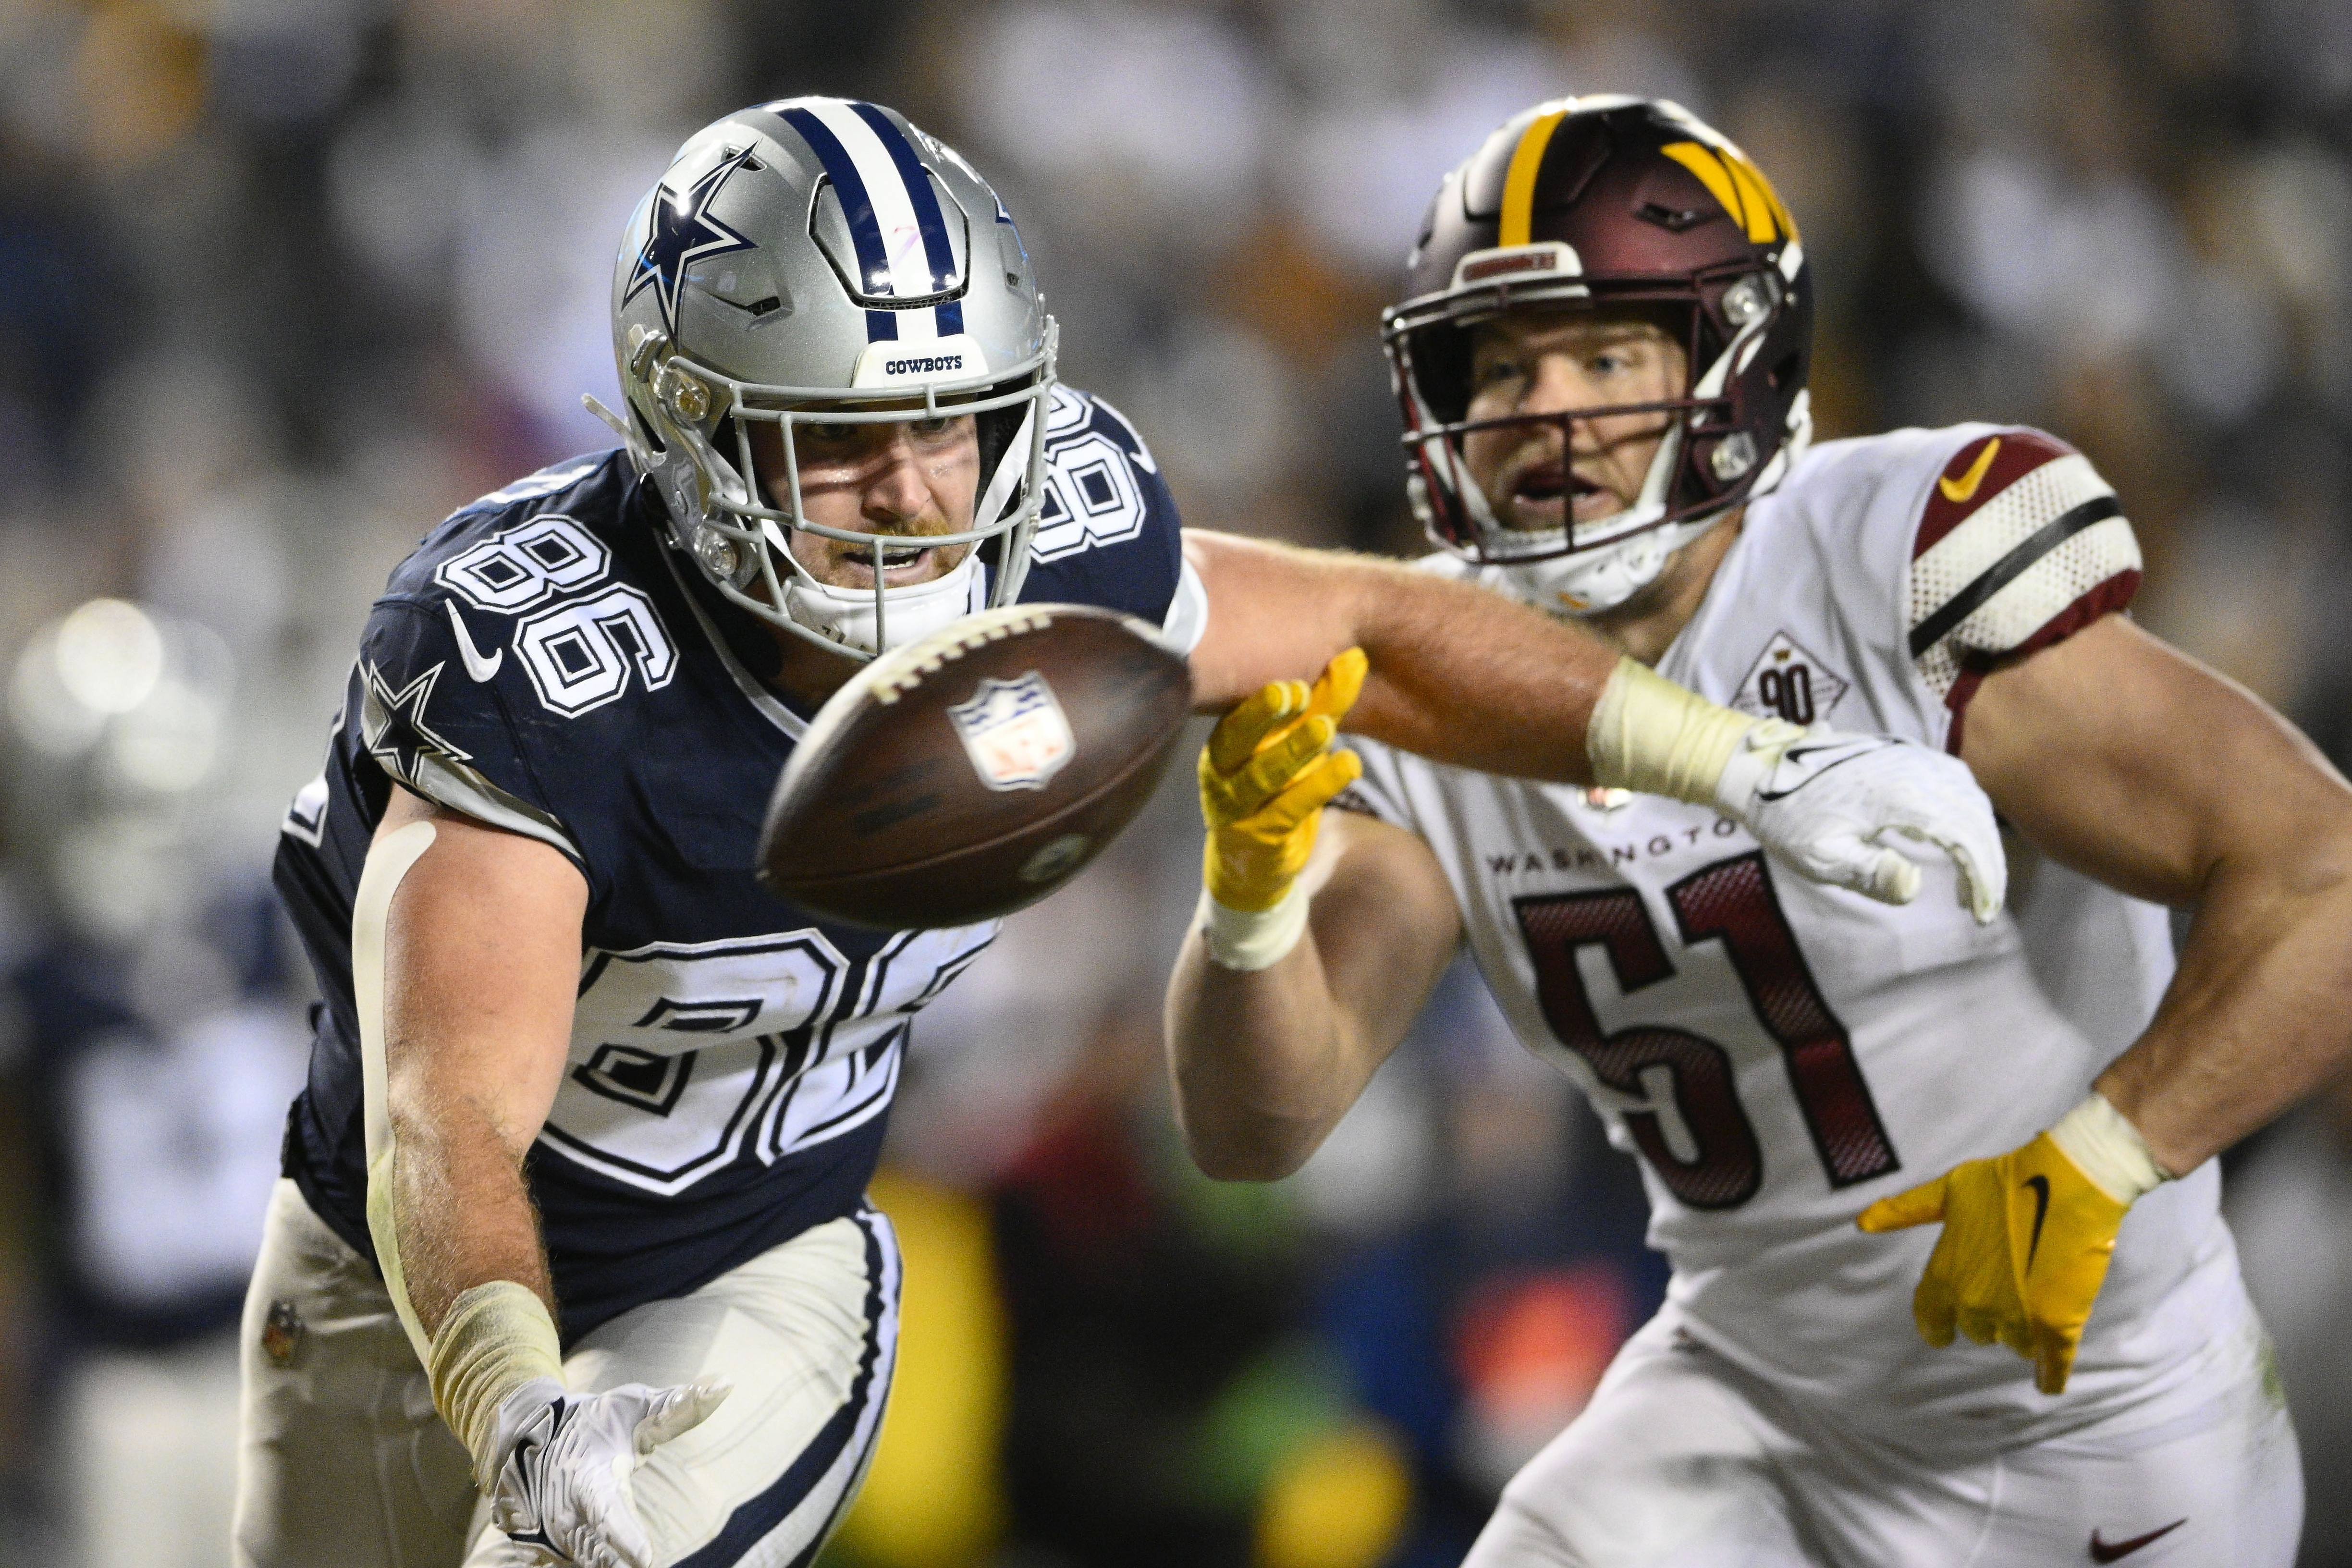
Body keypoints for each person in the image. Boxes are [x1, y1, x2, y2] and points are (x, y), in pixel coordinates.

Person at [235, 98, 1999, 1568]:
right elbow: (444, 1103)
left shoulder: (1063, 535)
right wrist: (514, 1391)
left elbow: (1374, 626)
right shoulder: (538, 655)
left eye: (954, 420)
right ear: (694, 430)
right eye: (848, 444)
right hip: (401, 1286)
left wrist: (1749, 766)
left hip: (754, 1260)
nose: (924, 492)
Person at [1164, 96, 2349, 1568]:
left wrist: (2112, 1149)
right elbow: (1254, 1125)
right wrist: (1250, 910)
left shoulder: (1890, 562)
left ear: (1735, 364)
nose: (1548, 414)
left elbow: (2324, 875)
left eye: (1605, 355)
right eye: (1506, 367)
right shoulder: (1437, 684)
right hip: (1750, 1390)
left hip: (2087, 1412)